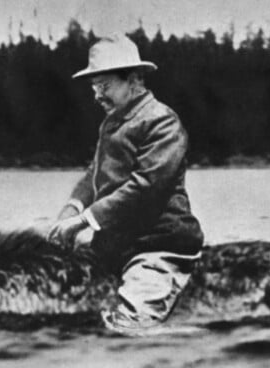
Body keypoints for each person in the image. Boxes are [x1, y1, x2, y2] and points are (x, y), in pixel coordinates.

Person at [47, 35, 204, 331]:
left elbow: (145, 188)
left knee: (132, 324)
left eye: (104, 85)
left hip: (158, 246)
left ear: (134, 79)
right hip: (115, 246)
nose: (96, 95)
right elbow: (95, 173)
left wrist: (82, 221)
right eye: (94, 86)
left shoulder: (162, 122)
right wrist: (71, 208)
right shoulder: (113, 121)